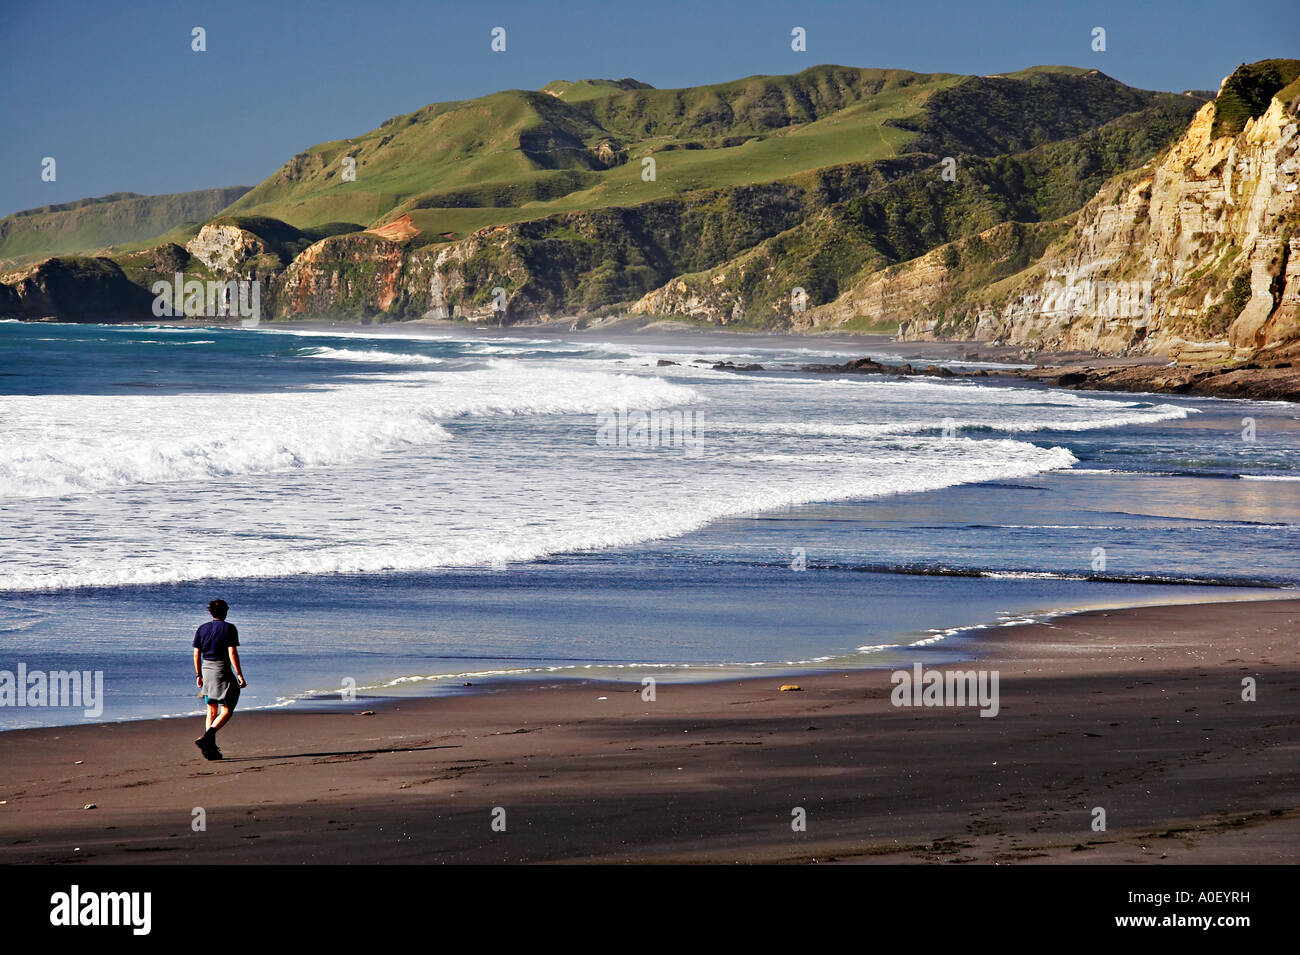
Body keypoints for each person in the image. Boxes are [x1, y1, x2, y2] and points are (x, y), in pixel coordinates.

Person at [192, 599, 247, 760]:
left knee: (211, 709)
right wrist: (239, 674)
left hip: (206, 669)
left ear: (211, 612)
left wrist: (198, 675)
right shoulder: (229, 628)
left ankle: (210, 749)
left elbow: (196, 654)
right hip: (222, 669)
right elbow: (232, 653)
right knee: (227, 709)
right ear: (225, 611)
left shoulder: (202, 628)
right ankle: (207, 737)